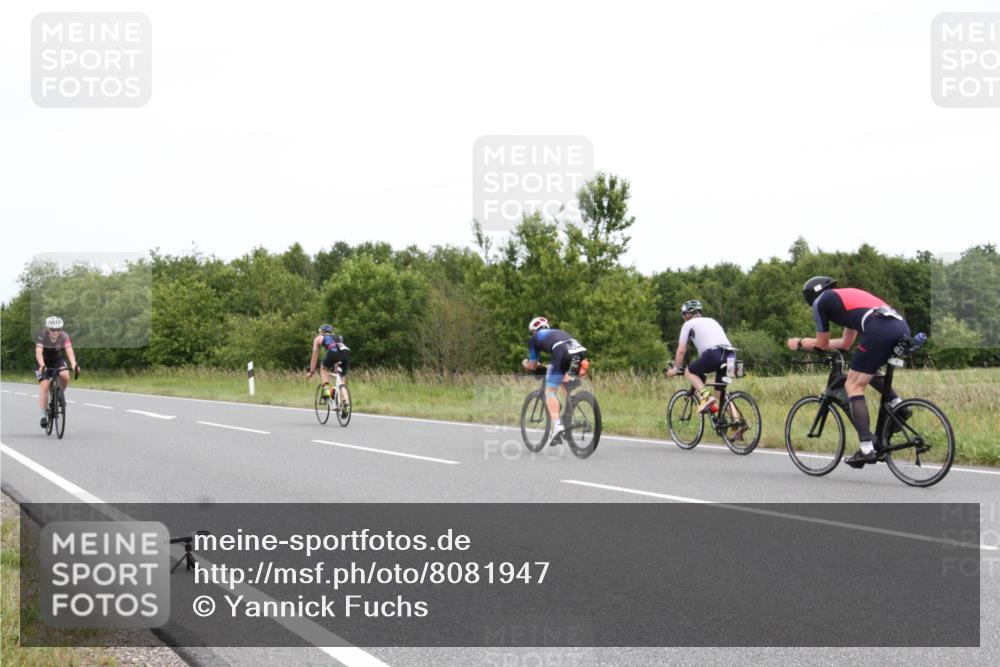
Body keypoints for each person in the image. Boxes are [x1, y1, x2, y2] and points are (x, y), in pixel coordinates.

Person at [787, 276, 910, 468]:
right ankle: (898, 405)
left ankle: (866, 449)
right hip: (900, 326)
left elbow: (822, 344)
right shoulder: (845, 299)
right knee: (867, 371)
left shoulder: (820, 302)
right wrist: (820, 345)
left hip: (878, 328)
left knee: (852, 385)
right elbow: (845, 343)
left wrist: (800, 343)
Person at [521, 316, 590, 446]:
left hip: (562, 352)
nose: (532, 334)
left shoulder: (534, 338)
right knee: (565, 383)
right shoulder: (557, 332)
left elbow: (532, 365)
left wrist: (525, 363)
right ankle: (570, 414)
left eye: (531, 332)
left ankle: (557, 427)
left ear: (534, 330)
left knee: (550, 392)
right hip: (579, 352)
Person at [664, 300, 734, 418]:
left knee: (689, 371)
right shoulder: (712, 320)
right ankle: (737, 422)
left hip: (714, 354)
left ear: (686, 314)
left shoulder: (687, 324)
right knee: (720, 393)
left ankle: (707, 397)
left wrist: (675, 368)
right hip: (731, 356)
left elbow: (681, 350)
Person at [35, 316, 79, 428]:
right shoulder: (42, 335)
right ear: (48, 329)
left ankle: (60, 393)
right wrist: (41, 365)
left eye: (58, 329)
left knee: (65, 374)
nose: (56, 332)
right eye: (53, 330)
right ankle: (43, 415)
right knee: (44, 386)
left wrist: (74, 364)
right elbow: (39, 352)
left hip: (56, 359)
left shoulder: (64, 336)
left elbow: (69, 350)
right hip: (43, 361)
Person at [306, 324, 351, 412]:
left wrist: (311, 371)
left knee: (323, 368)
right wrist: (336, 368)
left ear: (321, 332)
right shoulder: (339, 337)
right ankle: (346, 405)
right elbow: (339, 350)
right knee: (342, 380)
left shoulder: (318, 338)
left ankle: (327, 391)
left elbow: (314, 356)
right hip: (345, 353)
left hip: (333, 353)